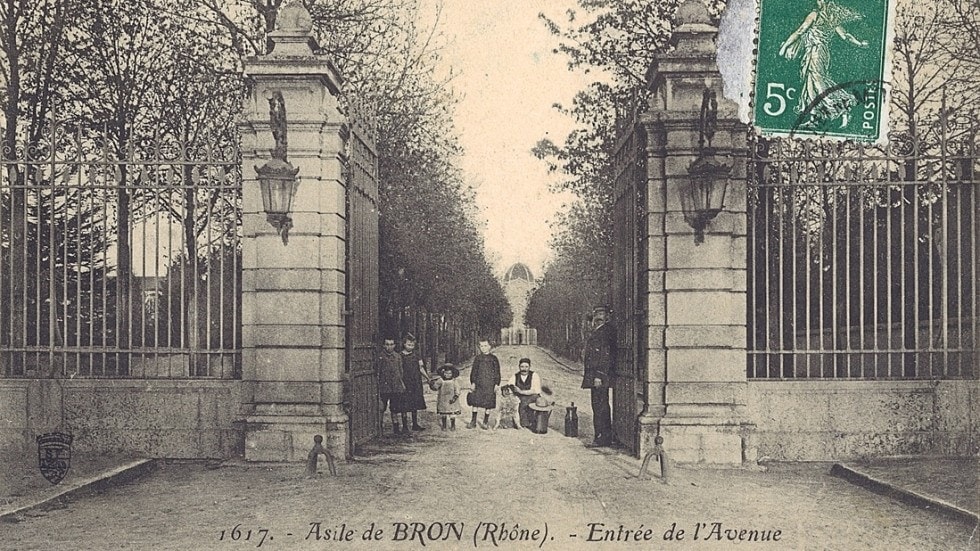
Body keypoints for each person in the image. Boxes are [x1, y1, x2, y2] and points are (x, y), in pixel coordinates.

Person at [778, 0, 868, 129]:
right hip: (817, 52)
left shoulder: (814, 15)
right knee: (810, 84)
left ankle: (843, 106)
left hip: (816, 51)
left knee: (818, 82)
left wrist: (785, 47)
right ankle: (815, 118)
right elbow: (846, 36)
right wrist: (859, 44)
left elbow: (800, 31)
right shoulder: (832, 19)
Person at [583, 307, 614, 447]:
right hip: (596, 375)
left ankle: (602, 438)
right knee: (598, 405)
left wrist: (599, 375)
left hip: (599, 376)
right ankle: (601, 436)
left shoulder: (605, 332)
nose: (598, 317)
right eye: (596, 314)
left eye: (601, 314)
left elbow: (604, 356)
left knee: (600, 406)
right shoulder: (598, 330)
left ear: (607, 316)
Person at [391, 334, 428, 433]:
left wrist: (427, 378)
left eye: (412, 345)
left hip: (415, 382)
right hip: (404, 382)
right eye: (408, 344)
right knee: (404, 404)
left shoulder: (417, 355)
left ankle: (415, 424)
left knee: (415, 402)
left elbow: (421, 368)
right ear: (404, 344)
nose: (410, 346)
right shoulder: (400, 356)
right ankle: (405, 426)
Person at [466, 339, 500, 429]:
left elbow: (497, 372)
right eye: (481, 346)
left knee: (488, 404)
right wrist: (473, 382)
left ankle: (485, 422)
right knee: (475, 402)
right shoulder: (478, 358)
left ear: (489, 346)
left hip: (490, 384)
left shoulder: (494, 359)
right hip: (479, 383)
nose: (483, 348)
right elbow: (474, 371)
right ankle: (473, 421)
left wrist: (496, 384)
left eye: (485, 346)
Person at [376, 337, 406, 436]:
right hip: (384, 387)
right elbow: (378, 372)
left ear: (394, 345)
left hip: (395, 387)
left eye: (391, 344)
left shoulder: (397, 356)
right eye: (387, 344)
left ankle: (396, 428)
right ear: (384, 345)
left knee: (395, 408)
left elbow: (401, 371)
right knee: (381, 408)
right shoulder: (380, 357)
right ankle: (379, 429)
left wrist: (400, 383)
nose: (389, 346)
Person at [508, 357, 542, 429]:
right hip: (520, 397)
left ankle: (527, 423)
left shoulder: (534, 375)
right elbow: (509, 387)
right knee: (517, 402)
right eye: (522, 367)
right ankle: (519, 422)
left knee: (525, 402)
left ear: (529, 367)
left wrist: (520, 391)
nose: (524, 369)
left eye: (526, 367)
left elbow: (535, 390)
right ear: (519, 367)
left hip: (533, 396)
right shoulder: (515, 376)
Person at [430, 363, 462, 431]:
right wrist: (432, 384)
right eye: (446, 373)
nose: (448, 375)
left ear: (452, 374)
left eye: (449, 373)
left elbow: (458, 389)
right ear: (443, 373)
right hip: (443, 400)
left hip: (452, 400)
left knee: (452, 413)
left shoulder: (454, 381)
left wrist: (455, 397)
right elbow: (435, 387)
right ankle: (444, 425)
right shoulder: (441, 380)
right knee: (443, 413)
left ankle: (453, 425)